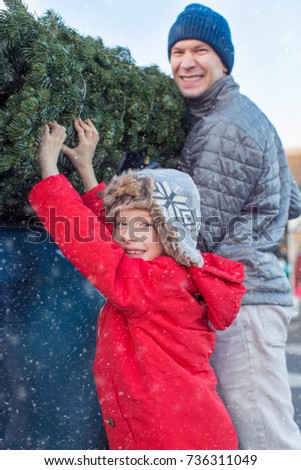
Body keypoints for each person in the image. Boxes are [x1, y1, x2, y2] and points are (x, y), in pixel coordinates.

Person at [28, 118, 246, 450]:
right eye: (122, 224)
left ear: (170, 232)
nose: (128, 235)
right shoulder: (171, 273)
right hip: (188, 430)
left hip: (168, 439)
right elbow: (110, 242)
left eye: (143, 225)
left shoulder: (155, 283)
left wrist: (49, 170)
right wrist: (86, 170)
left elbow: (92, 247)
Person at [167, 3, 301, 449]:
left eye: (200, 50)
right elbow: (293, 201)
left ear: (223, 60)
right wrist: (260, 222)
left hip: (243, 299)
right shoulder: (244, 114)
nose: (186, 61)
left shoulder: (223, 126)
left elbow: (195, 232)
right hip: (252, 294)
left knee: (264, 440)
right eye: (177, 51)